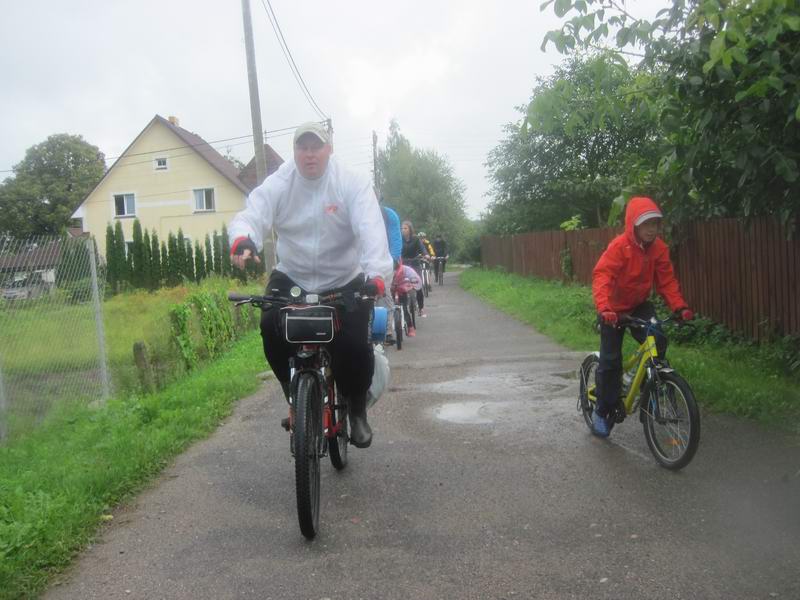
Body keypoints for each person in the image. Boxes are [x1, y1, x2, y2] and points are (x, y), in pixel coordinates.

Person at [229, 122, 392, 448]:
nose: (309, 154)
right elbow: (254, 211)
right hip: (293, 275)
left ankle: (357, 411)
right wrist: (244, 240)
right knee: (269, 325)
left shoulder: (351, 182)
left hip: (342, 277)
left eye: (315, 147)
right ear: (295, 152)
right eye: (302, 147)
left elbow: (370, 227)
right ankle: (295, 397)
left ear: (328, 148)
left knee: (355, 342)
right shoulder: (281, 182)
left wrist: (376, 274)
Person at [591, 196, 693, 438]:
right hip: (613, 311)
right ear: (633, 225)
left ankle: (652, 383)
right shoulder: (619, 247)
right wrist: (605, 308)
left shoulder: (659, 249)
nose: (651, 229)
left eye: (655, 224)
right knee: (610, 361)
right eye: (646, 224)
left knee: (658, 339)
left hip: (638, 306)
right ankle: (601, 410)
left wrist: (679, 307)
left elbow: (666, 281)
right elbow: (602, 276)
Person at [400, 220, 428, 316]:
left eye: (405, 228)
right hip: (403, 264)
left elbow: (422, 248)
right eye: (402, 228)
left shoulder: (416, 239)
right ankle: (400, 307)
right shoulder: (399, 239)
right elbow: (395, 249)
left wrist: (426, 255)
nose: (403, 230)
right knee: (399, 285)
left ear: (410, 229)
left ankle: (421, 308)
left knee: (418, 285)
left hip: (415, 263)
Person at [391, 259, 422, 337]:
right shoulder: (384, 270)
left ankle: (410, 327)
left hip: (402, 290)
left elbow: (414, 277)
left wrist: (413, 283)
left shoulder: (405, 269)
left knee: (404, 309)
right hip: (390, 291)